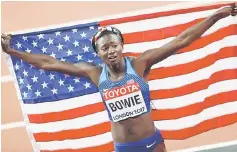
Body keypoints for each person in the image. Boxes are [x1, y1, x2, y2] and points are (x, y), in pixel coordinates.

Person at [2, 4, 236, 152]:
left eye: (114, 45)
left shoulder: (141, 63)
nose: (111, 50)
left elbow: (181, 40)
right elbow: (50, 63)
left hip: (152, 143)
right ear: (99, 53)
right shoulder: (94, 73)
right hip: (124, 147)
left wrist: (217, 16)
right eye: (105, 48)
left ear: (122, 46)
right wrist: (13, 51)